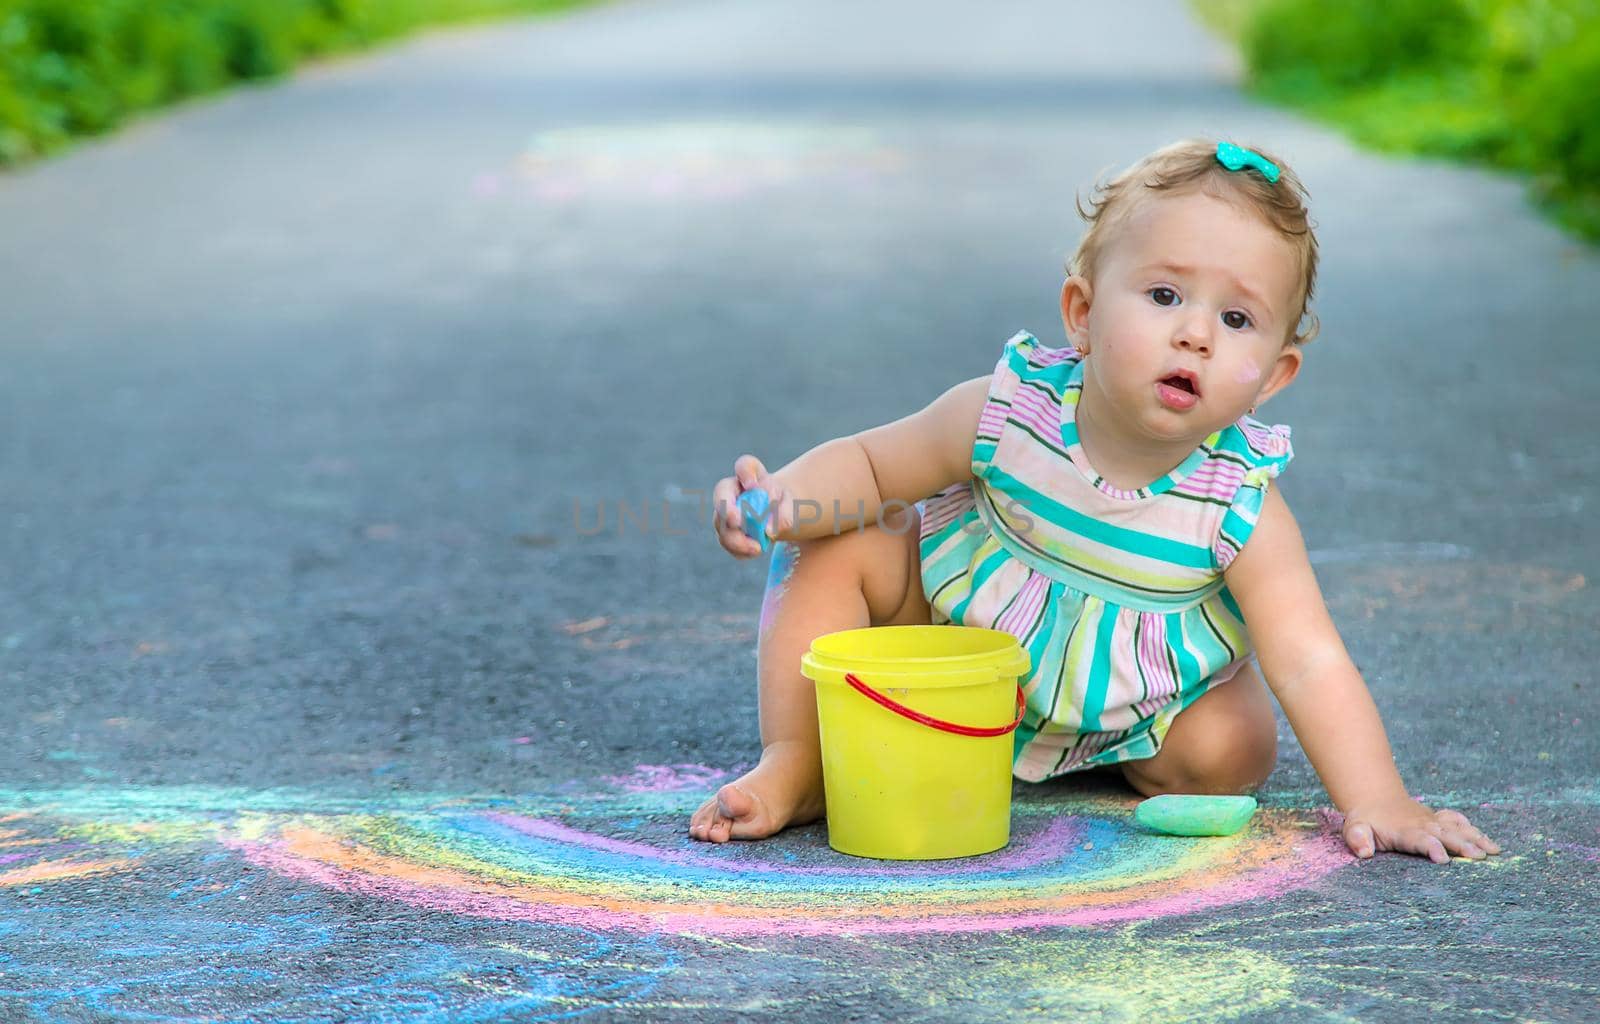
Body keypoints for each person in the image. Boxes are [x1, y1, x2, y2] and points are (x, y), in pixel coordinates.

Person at [688, 138, 1501, 864]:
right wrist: (783, 501)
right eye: (1163, 297)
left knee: (1234, 748)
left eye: (1237, 317)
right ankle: (800, 760)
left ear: (1276, 377)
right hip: (959, 646)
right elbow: (869, 464)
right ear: (1081, 312)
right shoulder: (1009, 410)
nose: (1196, 335)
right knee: (841, 543)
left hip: (1135, 707)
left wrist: (1379, 799)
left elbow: (1310, 657)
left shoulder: (1239, 503)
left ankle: (1114, 758)